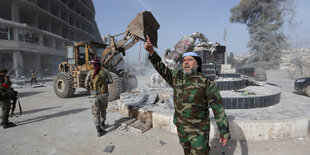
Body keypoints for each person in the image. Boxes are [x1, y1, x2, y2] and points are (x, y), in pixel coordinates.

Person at [144, 35, 230, 154]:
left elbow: (218, 108)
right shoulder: (176, 77)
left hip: (199, 131)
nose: (186, 62)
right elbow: (162, 68)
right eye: (184, 60)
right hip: (182, 129)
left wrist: (224, 131)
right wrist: (152, 52)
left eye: (190, 60)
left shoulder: (206, 82)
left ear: (197, 64)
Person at [85, 59, 112, 137]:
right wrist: (105, 82)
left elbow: (86, 84)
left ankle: (99, 130)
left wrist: (91, 90)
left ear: (93, 64)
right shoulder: (105, 71)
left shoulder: (90, 73)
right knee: (103, 109)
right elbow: (111, 80)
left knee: (96, 112)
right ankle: (102, 123)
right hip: (103, 94)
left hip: (94, 96)